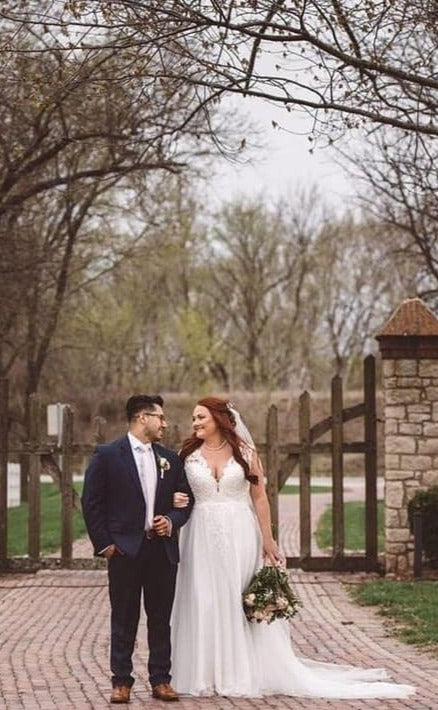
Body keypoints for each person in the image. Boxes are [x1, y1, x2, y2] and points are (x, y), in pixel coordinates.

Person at [170, 396, 415, 699]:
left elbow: (259, 496)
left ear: (219, 419)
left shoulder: (245, 452)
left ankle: (241, 671)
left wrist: (269, 539)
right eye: (194, 418)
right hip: (200, 535)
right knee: (204, 598)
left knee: (237, 598)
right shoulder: (186, 454)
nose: (195, 423)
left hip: (240, 534)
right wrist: (176, 500)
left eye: (201, 417)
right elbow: (174, 491)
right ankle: (205, 673)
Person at [81, 394, 192, 704]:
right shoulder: (107, 455)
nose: (165, 423)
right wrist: (105, 544)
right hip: (125, 551)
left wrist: (170, 520)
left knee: (160, 619)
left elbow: (186, 500)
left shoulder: (170, 457)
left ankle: (161, 680)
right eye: (160, 417)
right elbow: (92, 503)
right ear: (143, 417)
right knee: (124, 617)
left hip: (161, 551)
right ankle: (121, 682)